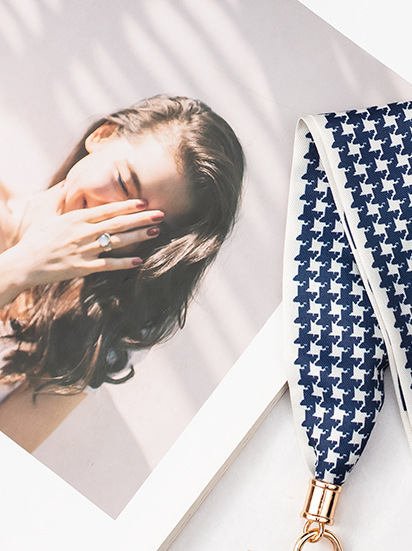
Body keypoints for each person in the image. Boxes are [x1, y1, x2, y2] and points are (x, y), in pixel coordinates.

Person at [0, 95, 245, 450]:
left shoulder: (97, 328)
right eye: (124, 182)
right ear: (102, 136)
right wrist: (22, 266)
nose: (115, 217)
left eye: (146, 223)